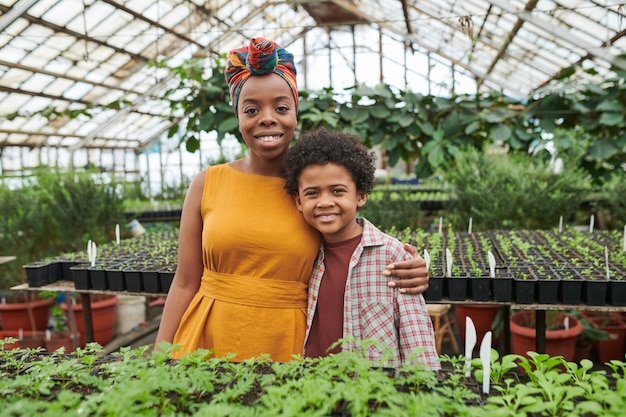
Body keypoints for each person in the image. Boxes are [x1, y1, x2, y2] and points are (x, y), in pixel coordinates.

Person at [154, 37, 429, 362]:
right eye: (251, 109)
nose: (267, 118)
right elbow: (185, 283)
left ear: (295, 111)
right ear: (237, 116)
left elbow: (350, 241)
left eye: (281, 107)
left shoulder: (310, 189)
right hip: (205, 336)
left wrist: (406, 265)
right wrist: (157, 361)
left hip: (286, 344)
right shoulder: (206, 183)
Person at [284, 127, 439, 369]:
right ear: (298, 201)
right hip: (312, 388)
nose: (325, 202)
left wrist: (424, 388)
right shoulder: (302, 254)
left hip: (374, 393)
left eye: (338, 191)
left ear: (361, 195)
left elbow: (416, 335)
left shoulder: (391, 255)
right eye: (312, 193)